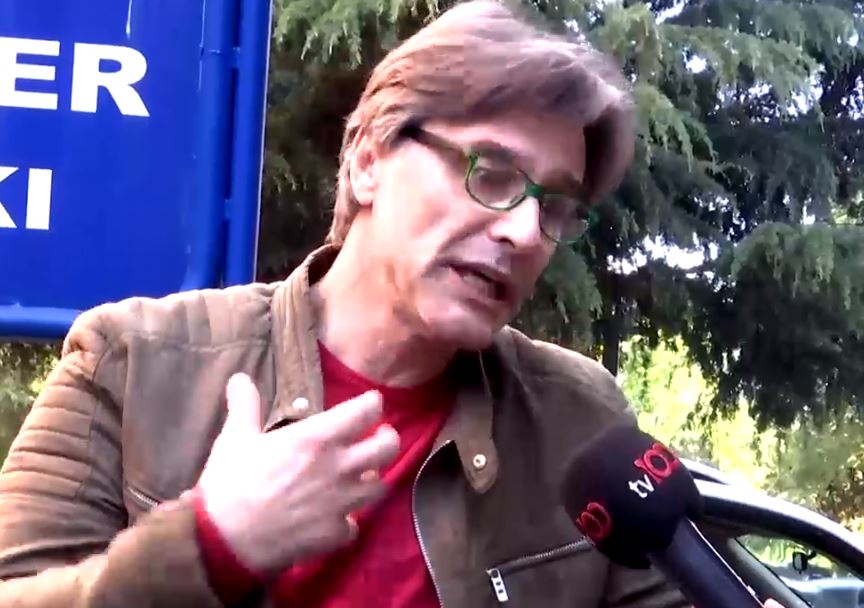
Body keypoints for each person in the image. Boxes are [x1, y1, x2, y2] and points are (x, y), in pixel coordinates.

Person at [0, 2, 787, 607]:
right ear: (368, 159)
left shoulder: (578, 417)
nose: (523, 232)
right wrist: (209, 545)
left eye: (554, 206)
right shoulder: (131, 362)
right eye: (490, 172)